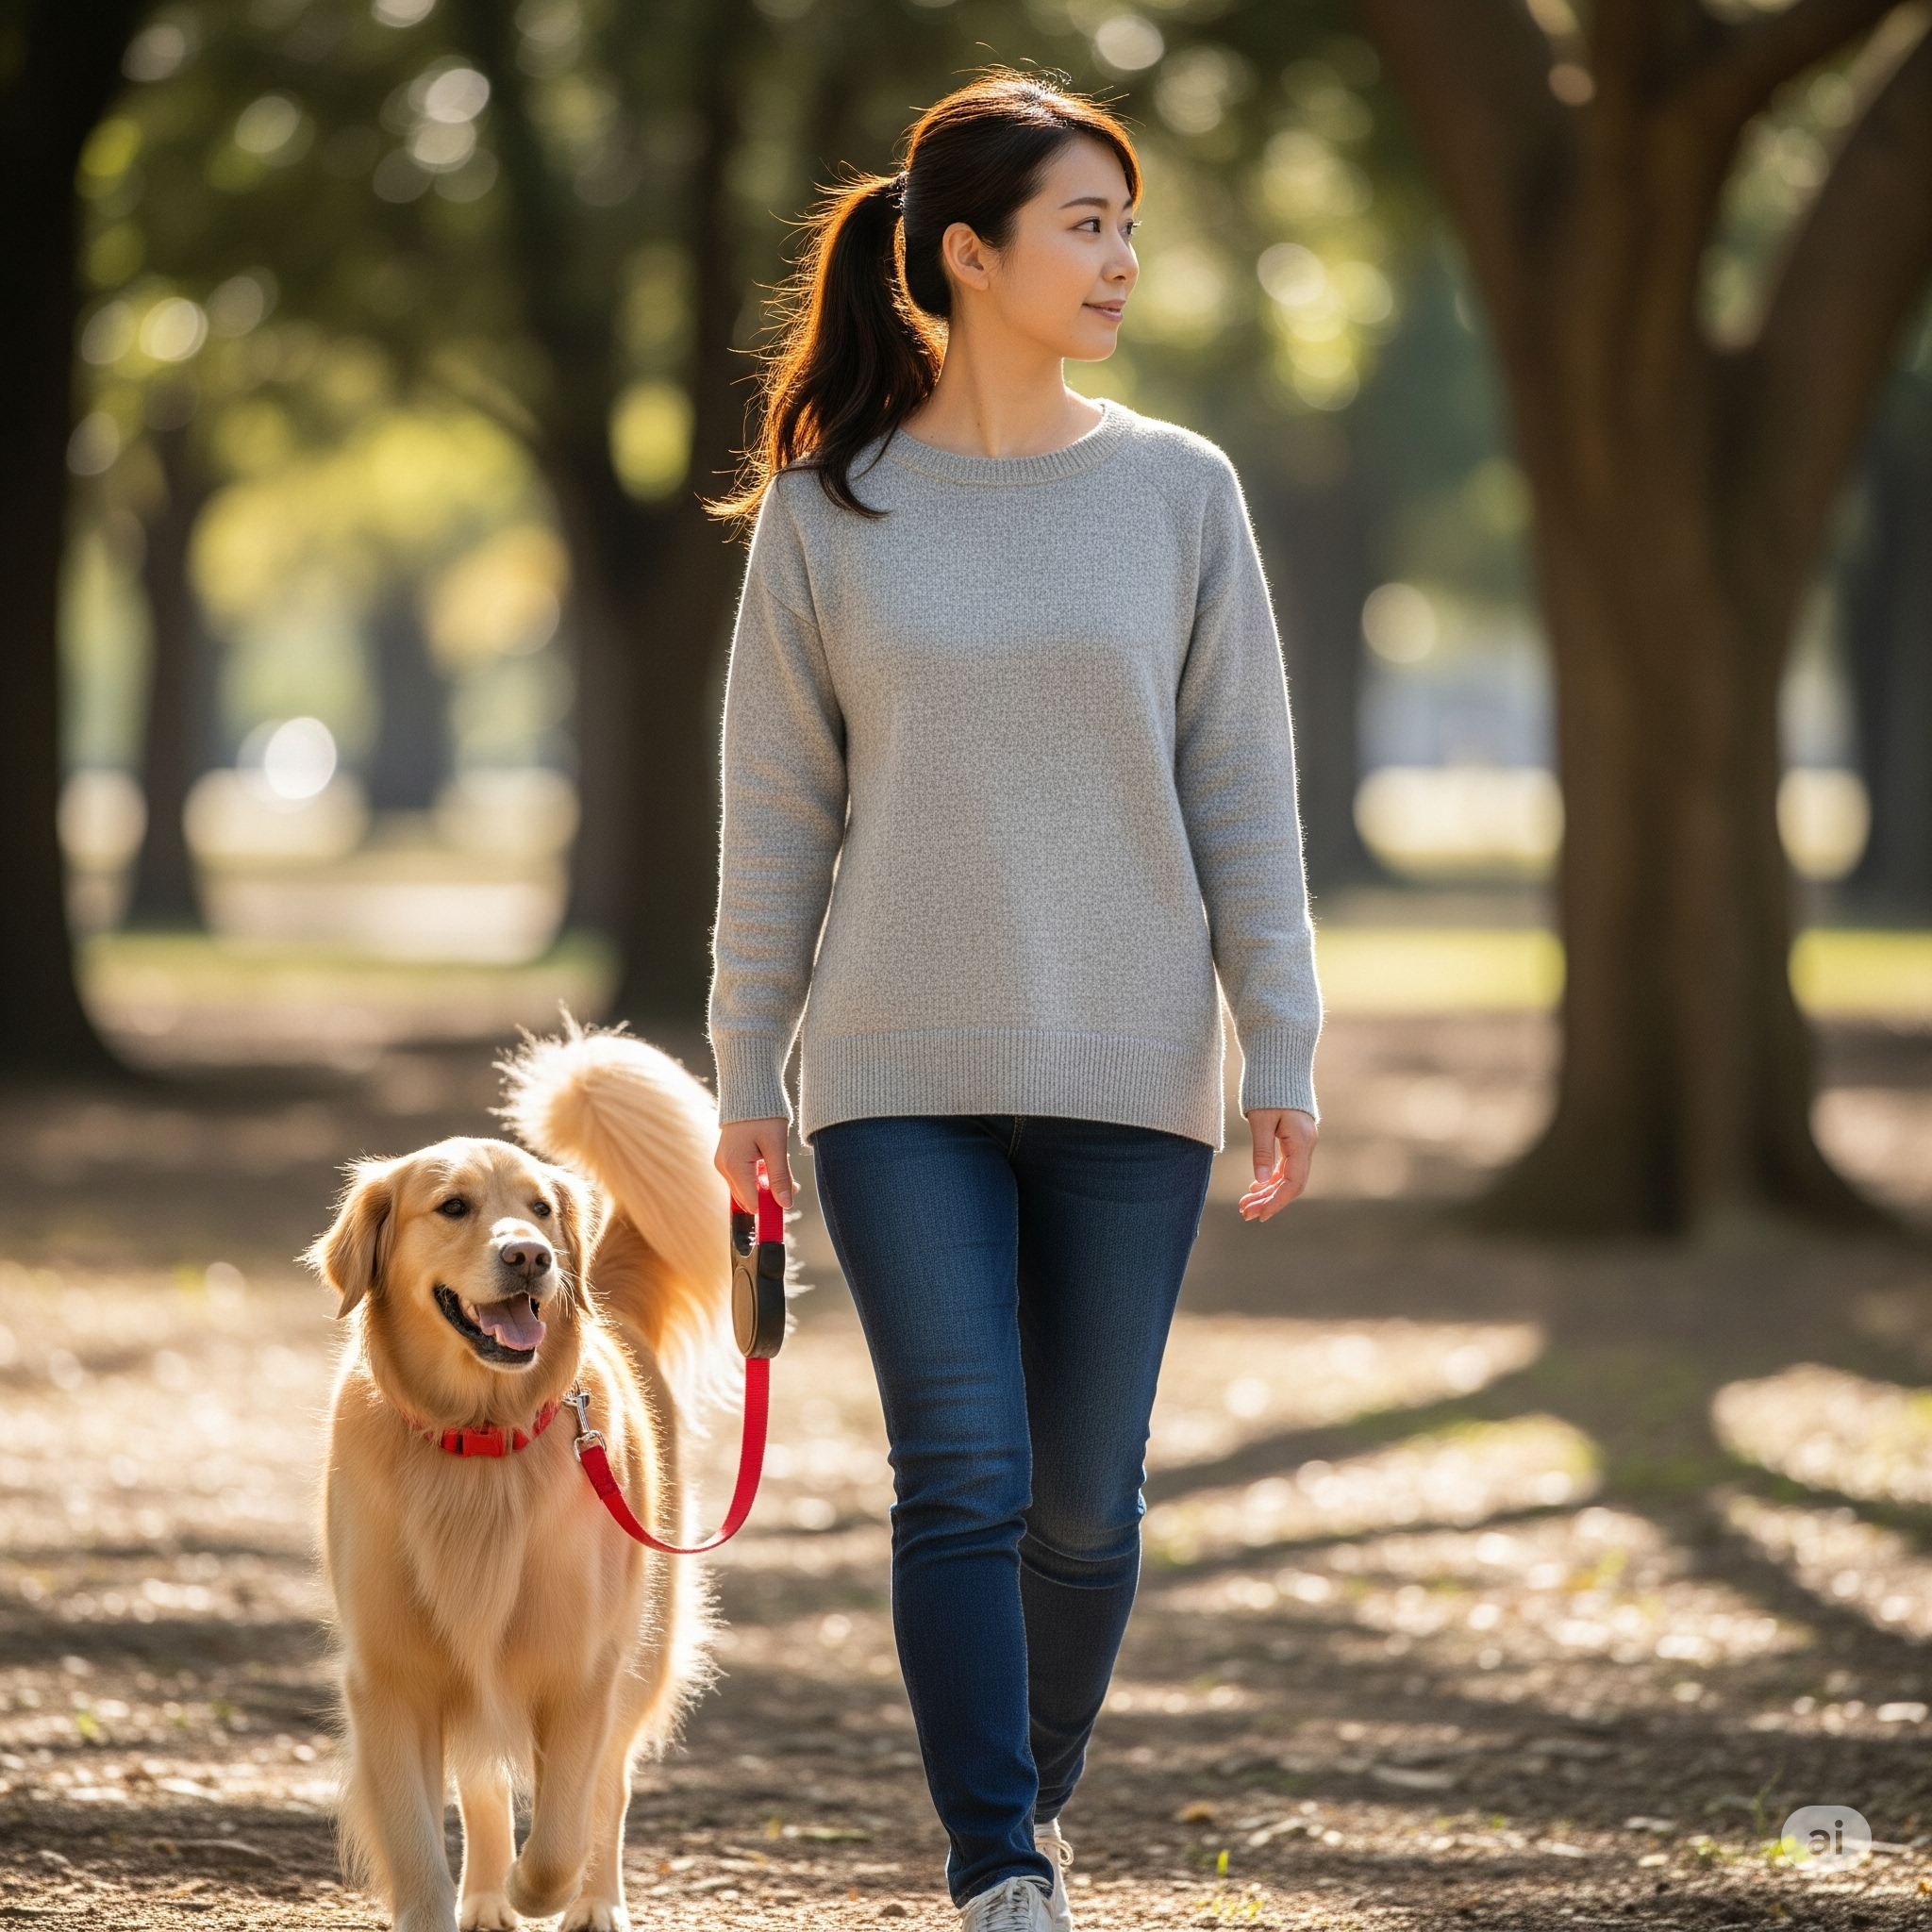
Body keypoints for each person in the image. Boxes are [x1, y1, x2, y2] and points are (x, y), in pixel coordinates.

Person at [707, 71, 1322, 1932]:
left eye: (1125, 222)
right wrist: (746, 1065)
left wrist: (1276, 1031)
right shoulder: (829, 514)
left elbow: (1242, 779)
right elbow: (775, 808)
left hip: (1132, 1060)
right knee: (957, 1471)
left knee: (1082, 1505)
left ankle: (1027, 1800)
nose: (1121, 256)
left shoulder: (1177, 490)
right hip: (892, 1070)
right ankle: (998, 1863)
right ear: (966, 256)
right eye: (1085, 222)